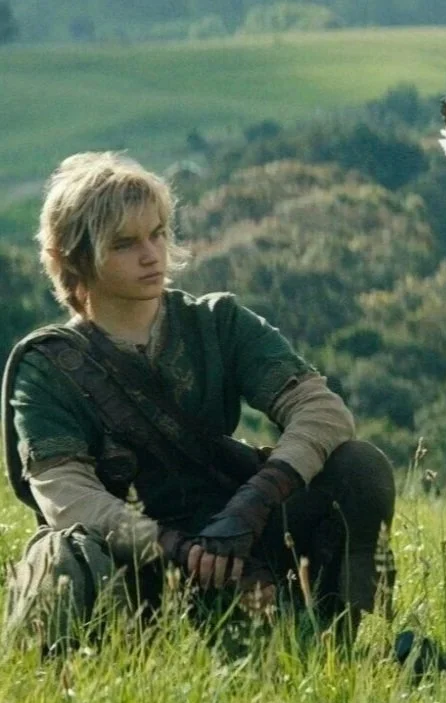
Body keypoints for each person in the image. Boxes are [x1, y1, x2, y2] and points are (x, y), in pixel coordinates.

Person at [2, 151, 396, 650]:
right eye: (125, 243)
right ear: (73, 258)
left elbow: (322, 411)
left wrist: (252, 505)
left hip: (240, 536)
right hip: (134, 565)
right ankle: (89, 667)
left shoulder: (217, 323)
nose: (152, 254)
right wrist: (176, 549)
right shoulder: (47, 365)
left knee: (358, 468)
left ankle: (332, 640)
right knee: (65, 556)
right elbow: (67, 494)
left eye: (157, 233)